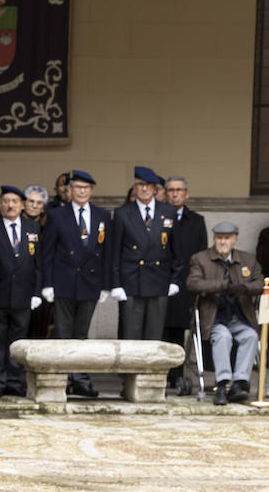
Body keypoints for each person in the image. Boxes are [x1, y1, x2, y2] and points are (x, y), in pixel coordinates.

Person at [39, 169, 110, 397]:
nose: (81, 192)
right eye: (77, 188)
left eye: (86, 188)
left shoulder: (102, 215)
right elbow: (47, 251)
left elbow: (106, 252)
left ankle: (80, 379)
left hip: (90, 282)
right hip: (64, 281)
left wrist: (106, 285)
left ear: (91, 190)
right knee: (63, 332)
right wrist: (47, 283)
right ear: (69, 191)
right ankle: (62, 377)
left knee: (82, 333)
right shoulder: (58, 215)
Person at [188, 222, 263, 405]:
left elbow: (260, 283)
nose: (223, 241)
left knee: (251, 336)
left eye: (227, 238)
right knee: (223, 336)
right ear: (214, 239)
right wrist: (221, 286)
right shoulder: (201, 259)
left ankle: (239, 383)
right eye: (219, 238)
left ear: (235, 240)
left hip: (240, 316)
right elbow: (193, 283)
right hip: (214, 317)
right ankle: (222, 384)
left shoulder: (249, 260)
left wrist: (244, 288)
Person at [108, 166, 178, 342]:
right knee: (131, 335)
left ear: (155, 188)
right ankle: (130, 371)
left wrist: (175, 280)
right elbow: (114, 252)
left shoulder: (168, 212)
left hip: (159, 280)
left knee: (154, 336)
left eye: (148, 185)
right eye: (140, 184)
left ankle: (151, 371)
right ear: (134, 187)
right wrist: (116, 284)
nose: (144, 189)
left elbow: (175, 250)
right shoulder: (122, 213)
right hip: (132, 282)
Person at [0, 185, 42, 397]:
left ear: (22, 205)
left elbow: (38, 262)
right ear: (0, 205)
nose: (10, 205)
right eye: (6, 201)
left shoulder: (32, 228)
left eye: (15, 202)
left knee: (17, 340)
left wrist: (37, 292)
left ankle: (13, 380)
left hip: (23, 292)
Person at [163, 176, 207, 395]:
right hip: (160, 282)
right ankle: (159, 373)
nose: (174, 194)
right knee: (159, 329)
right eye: (170, 190)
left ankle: (177, 375)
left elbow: (201, 254)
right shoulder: (158, 216)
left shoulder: (196, 220)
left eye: (179, 190)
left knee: (178, 330)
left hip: (184, 284)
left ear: (186, 194)